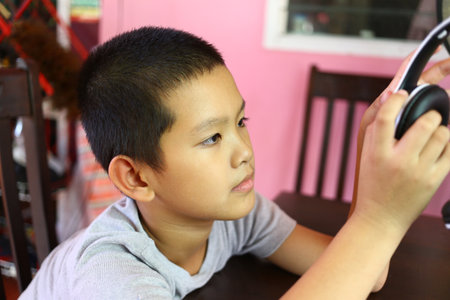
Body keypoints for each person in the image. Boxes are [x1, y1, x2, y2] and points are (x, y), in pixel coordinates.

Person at [19, 26, 450, 300]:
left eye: (241, 121)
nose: (244, 150)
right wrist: (379, 219)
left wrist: (367, 144)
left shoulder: (233, 216)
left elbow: (364, 273)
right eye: (212, 137)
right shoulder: (110, 273)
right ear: (135, 176)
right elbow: (367, 246)